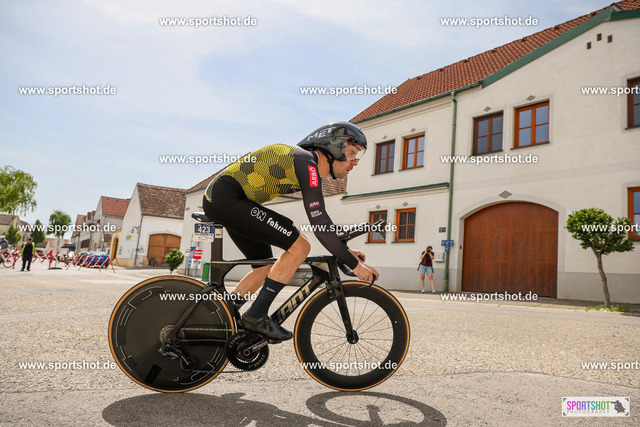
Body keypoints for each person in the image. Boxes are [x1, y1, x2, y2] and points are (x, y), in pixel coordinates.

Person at [202, 121, 379, 341]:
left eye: (357, 156)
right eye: (351, 152)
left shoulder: (307, 166)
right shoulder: (306, 162)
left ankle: (220, 317)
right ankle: (256, 316)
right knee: (300, 246)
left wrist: (344, 251)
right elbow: (319, 223)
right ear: (333, 147)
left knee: (265, 268)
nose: (354, 162)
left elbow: (321, 219)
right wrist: (355, 265)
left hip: (226, 200)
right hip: (226, 198)